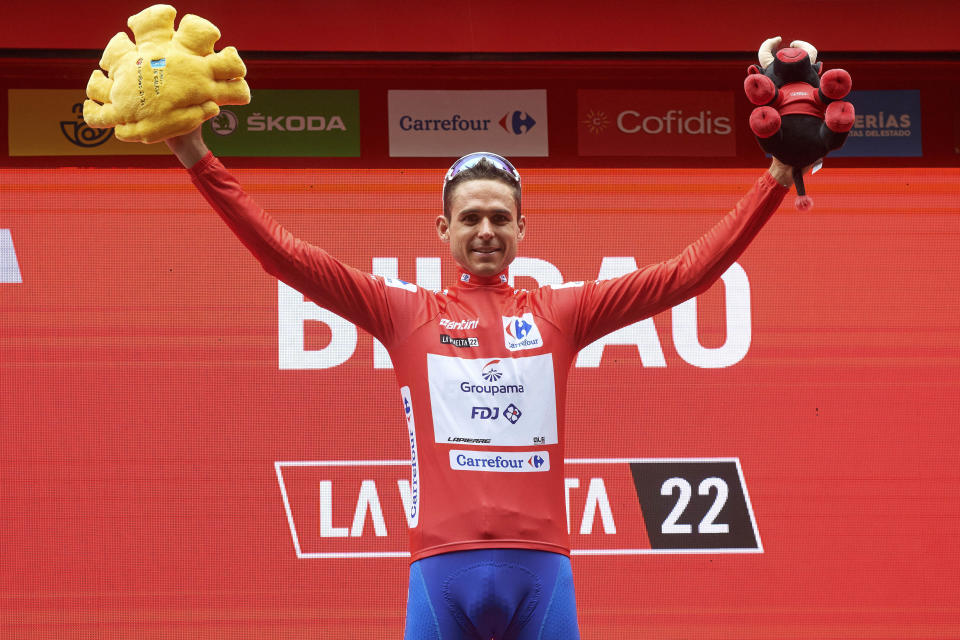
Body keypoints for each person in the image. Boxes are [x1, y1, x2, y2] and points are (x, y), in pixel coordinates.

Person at [165, 127, 794, 639]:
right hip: (442, 574)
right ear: (444, 230)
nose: (485, 230)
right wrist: (196, 154)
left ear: (523, 229)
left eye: (500, 217)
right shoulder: (404, 313)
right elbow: (285, 255)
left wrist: (775, 178)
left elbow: (689, 274)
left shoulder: (562, 312)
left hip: (541, 572)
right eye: (469, 218)